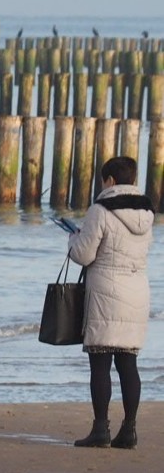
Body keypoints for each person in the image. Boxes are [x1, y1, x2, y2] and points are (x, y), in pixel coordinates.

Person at [68, 156, 154, 449]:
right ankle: (129, 430)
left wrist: (72, 238)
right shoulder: (147, 211)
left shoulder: (100, 210)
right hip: (137, 291)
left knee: (100, 364)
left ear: (110, 181)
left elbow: (84, 254)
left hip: (106, 292)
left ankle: (101, 429)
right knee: (128, 364)